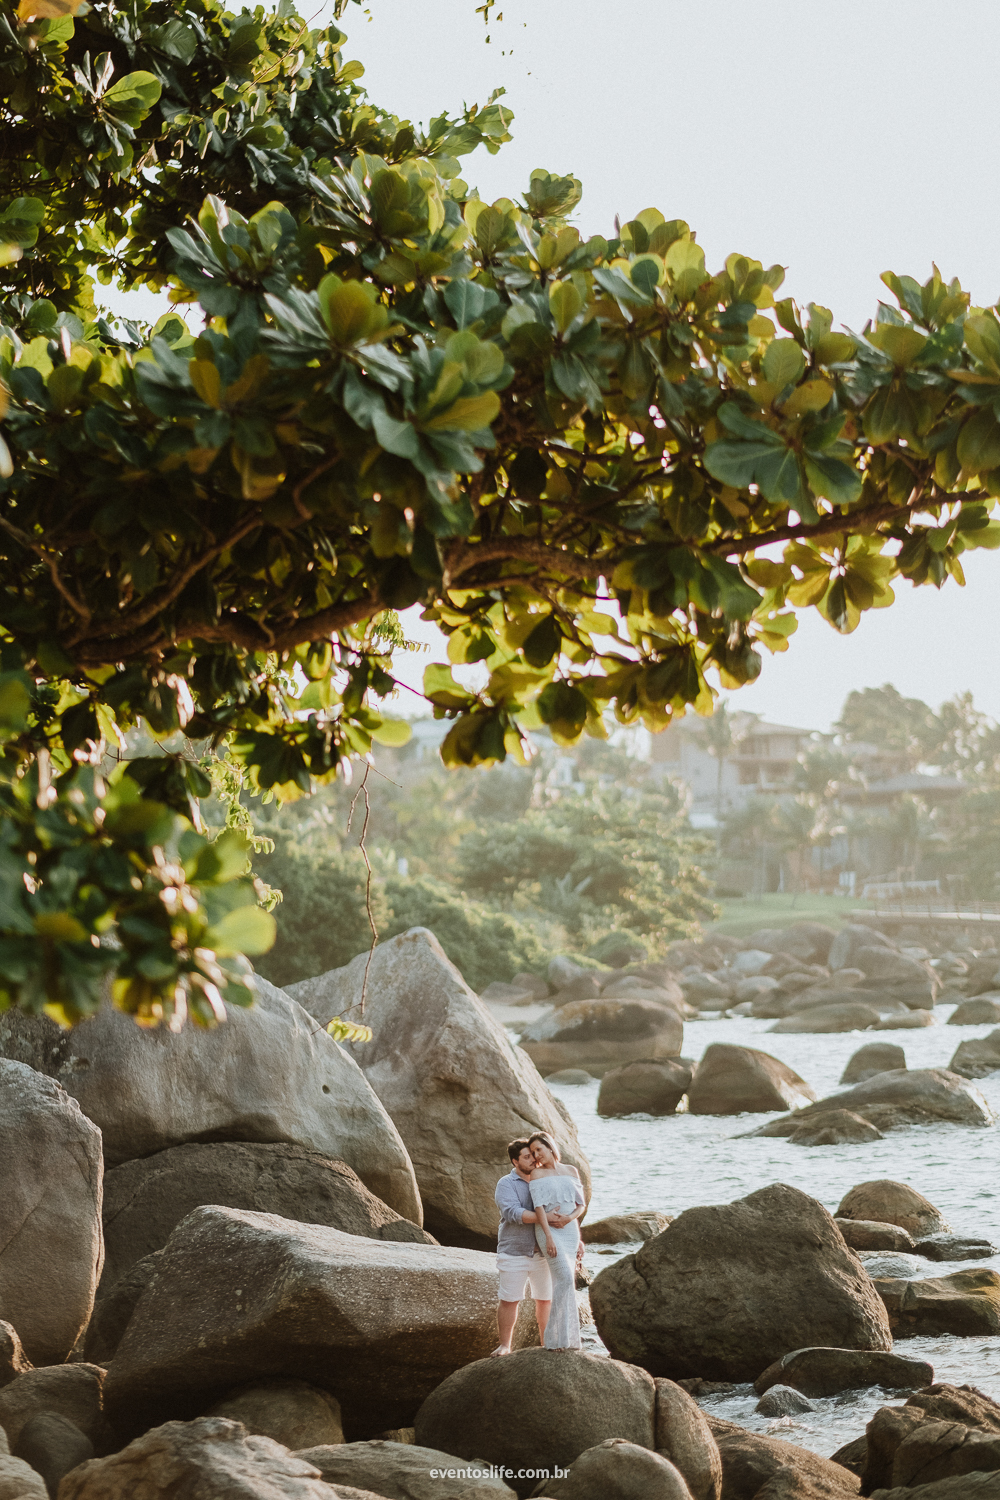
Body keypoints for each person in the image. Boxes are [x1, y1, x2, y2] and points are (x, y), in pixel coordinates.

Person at [492, 1137, 580, 1356]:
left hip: (542, 1251)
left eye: (533, 1154)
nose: (533, 1159)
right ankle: (505, 1345)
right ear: (515, 1161)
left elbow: (567, 1205)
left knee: (545, 1299)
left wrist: (576, 1237)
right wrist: (547, 1218)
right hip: (515, 1249)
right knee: (510, 1300)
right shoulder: (507, 1184)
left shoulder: (546, 1176)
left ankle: (547, 1342)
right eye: (526, 1156)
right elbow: (511, 1213)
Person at [527, 1130, 585, 1350]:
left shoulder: (571, 1170)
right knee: (564, 1280)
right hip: (548, 1232)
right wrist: (549, 1238)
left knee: (567, 1281)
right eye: (532, 1153)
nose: (536, 1156)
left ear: (550, 1146)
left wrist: (569, 1220)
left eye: (539, 1150)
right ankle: (553, 1339)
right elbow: (539, 1208)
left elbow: (581, 1205)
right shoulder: (537, 1175)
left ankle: (568, 1340)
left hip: (570, 1231)